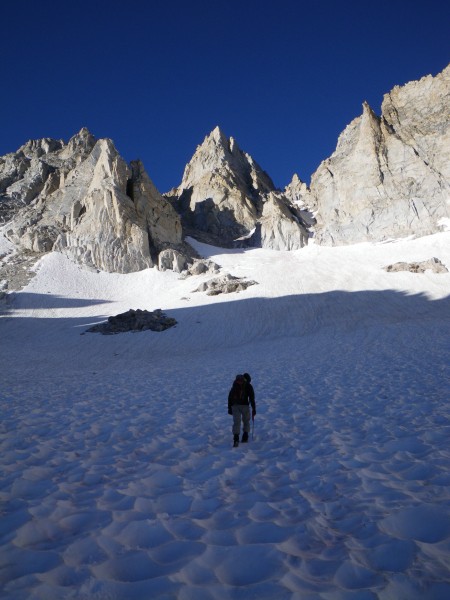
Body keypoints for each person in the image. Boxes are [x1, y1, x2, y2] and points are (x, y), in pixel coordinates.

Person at [228, 372, 256, 447]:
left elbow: (230, 397)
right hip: (245, 406)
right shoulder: (249, 386)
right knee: (246, 421)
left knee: (236, 422)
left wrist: (229, 408)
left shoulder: (235, 384)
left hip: (235, 406)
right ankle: (245, 436)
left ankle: (236, 438)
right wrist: (254, 409)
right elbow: (252, 398)